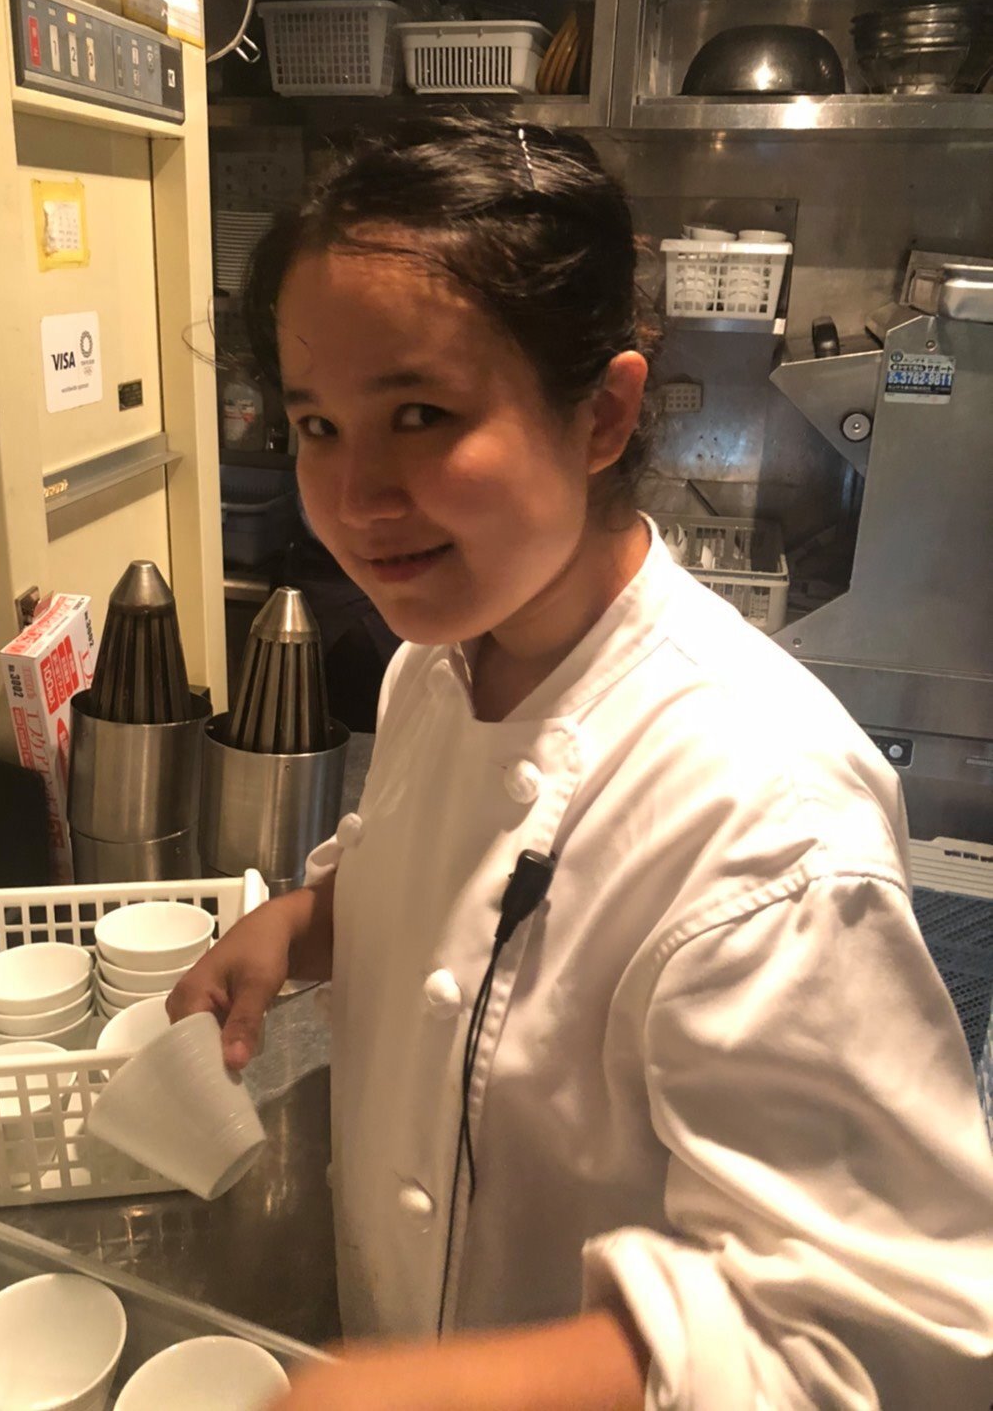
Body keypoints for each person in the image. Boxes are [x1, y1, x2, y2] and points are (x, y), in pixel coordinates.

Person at [169, 116, 993, 1409]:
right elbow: (437, 880)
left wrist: (421, 1393)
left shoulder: (767, 815)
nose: (356, 495)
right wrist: (306, 920)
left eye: (421, 413)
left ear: (605, 412)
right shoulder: (435, 662)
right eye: (316, 426)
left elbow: (876, 1345)